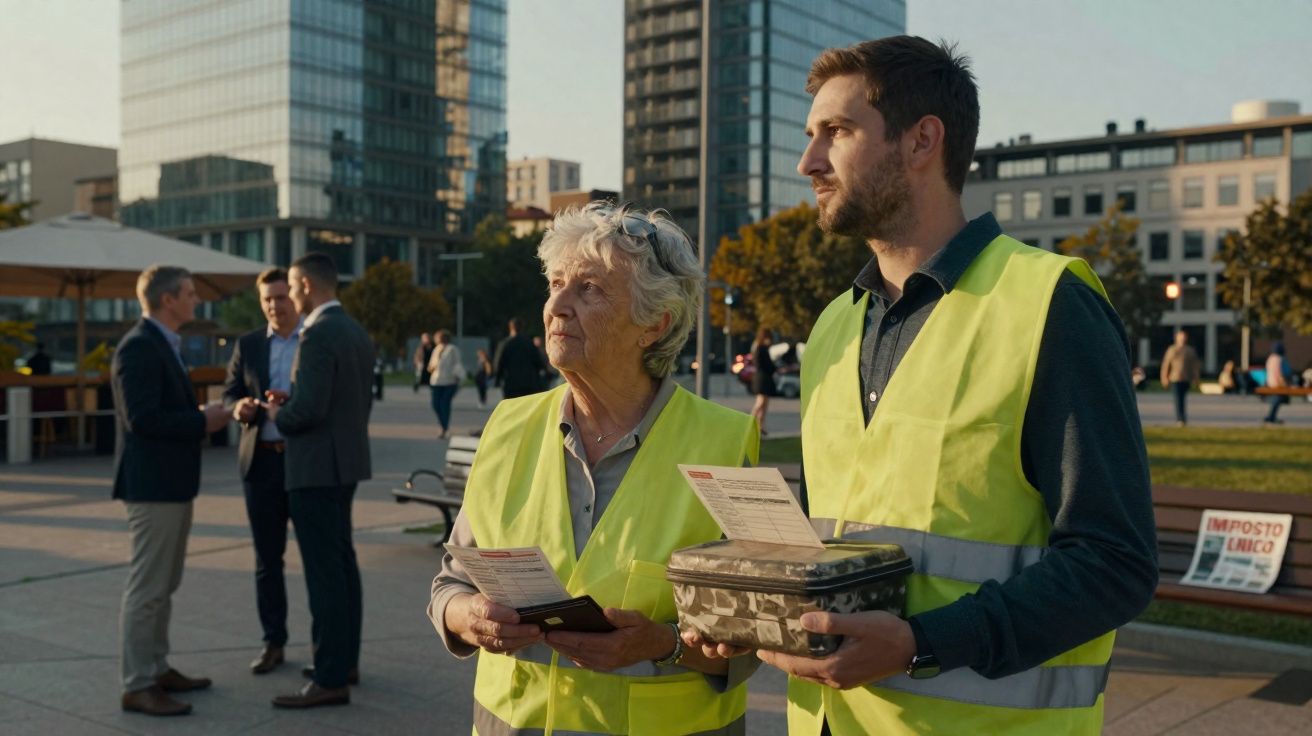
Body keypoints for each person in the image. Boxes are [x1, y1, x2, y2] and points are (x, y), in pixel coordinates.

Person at [690, 37, 1158, 735]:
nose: (808, 162)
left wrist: (920, 645)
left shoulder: (1048, 303)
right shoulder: (832, 329)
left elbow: (1114, 563)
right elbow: (838, 542)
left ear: (921, 142)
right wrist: (760, 613)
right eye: (809, 136)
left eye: (836, 133)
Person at [427, 202, 761, 735]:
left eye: (589, 289)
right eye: (556, 284)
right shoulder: (507, 426)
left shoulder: (724, 443)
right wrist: (468, 618)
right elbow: (451, 583)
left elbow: (756, 638)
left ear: (655, 324)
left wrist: (664, 644)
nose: (557, 305)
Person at [113, 265, 230, 716]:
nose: (196, 300)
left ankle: (156, 668)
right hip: (153, 487)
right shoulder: (140, 347)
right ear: (167, 300)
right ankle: (138, 682)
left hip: (170, 484)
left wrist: (204, 411)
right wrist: (204, 420)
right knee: (148, 587)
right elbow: (141, 419)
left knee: (164, 583)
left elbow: (159, 410)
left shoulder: (160, 343)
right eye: (189, 293)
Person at [264, 253, 374, 709]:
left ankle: (330, 677)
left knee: (324, 573)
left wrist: (277, 413)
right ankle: (343, 660)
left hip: (314, 468)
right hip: (345, 462)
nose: (289, 295)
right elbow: (338, 400)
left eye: (291, 286)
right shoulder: (354, 330)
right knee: (343, 567)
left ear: (306, 285)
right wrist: (298, 401)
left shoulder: (316, 334)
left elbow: (306, 412)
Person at [222, 267, 302, 676]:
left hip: (304, 464)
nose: (275, 305)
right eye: (267, 299)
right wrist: (240, 407)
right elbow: (230, 390)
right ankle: (273, 641)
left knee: (320, 560)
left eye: (282, 296)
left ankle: (331, 653)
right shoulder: (250, 343)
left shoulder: (314, 338)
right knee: (267, 560)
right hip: (260, 461)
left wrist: (291, 401)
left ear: (296, 297)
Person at [492, 317, 547, 399]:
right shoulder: (529, 343)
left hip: (511, 384)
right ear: (522, 328)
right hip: (529, 383)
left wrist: (497, 380)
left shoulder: (504, 344)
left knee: (512, 408)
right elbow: (538, 362)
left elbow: (499, 364)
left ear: (510, 327)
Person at [427, 329, 463, 439]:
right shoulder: (436, 349)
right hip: (436, 381)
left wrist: (457, 377)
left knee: (445, 404)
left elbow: (457, 363)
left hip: (449, 381)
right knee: (435, 404)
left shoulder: (452, 349)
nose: (437, 339)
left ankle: (444, 428)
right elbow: (431, 364)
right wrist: (431, 368)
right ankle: (443, 425)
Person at [1160, 329, 1201, 426]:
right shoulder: (1172, 350)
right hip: (1175, 378)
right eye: (1180, 337)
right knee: (1178, 399)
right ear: (1177, 338)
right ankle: (1180, 419)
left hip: (1186, 379)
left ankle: (1182, 418)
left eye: (1184, 337)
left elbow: (1195, 366)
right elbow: (1166, 365)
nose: (1182, 339)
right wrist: (1164, 378)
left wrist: (1196, 378)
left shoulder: (1190, 351)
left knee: (1182, 399)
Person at [749, 327, 776, 435]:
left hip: (763, 378)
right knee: (761, 402)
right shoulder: (761, 348)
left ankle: (760, 425)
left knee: (764, 403)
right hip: (762, 378)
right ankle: (750, 423)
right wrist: (774, 368)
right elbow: (764, 364)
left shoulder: (759, 347)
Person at [1263, 342, 1291, 424]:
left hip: (1270, 383)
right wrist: (1285, 383)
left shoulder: (1270, 359)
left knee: (1277, 399)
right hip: (1278, 383)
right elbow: (1281, 373)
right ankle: (1271, 417)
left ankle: (1271, 416)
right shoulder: (1280, 359)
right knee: (1278, 399)